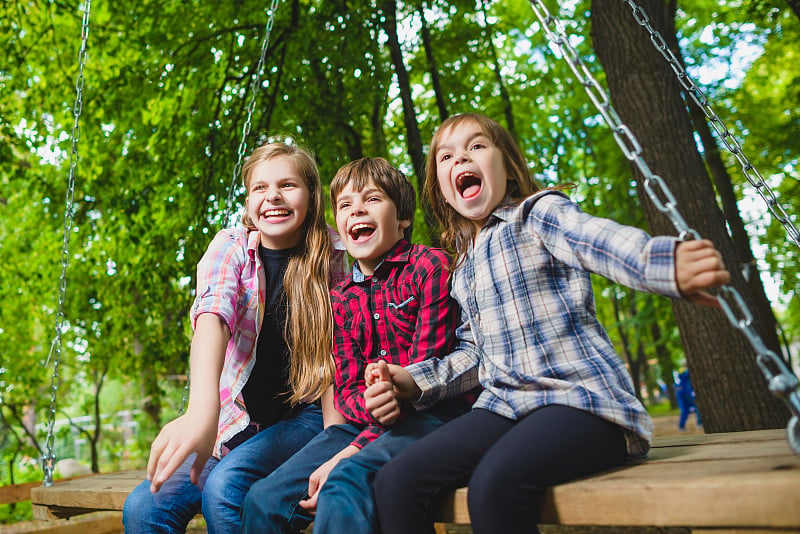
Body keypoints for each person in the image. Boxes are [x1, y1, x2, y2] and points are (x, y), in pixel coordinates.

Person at [366, 113, 731, 534]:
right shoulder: (463, 264)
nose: (461, 158)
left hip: (581, 402)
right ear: (443, 191)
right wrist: (413, 381)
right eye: (446, 157)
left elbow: (595, 239)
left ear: (508, 165)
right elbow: (474, 354)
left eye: (477, 147)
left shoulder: (536, 213)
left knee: (494, 488)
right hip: (505, 406)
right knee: (396, 482)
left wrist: (663, 264)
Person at [123, 141, 348, 534]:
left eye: (287, 185)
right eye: (259, 188)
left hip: (305, 416)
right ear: (248, 200)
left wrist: (335, 442)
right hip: (234, 423)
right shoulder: (232, 248)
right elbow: (213, 314)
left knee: (225, 488)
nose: (272, 196)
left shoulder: (333, 253)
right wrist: (201, 410)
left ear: (312, 197)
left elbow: (342, 348)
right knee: (143, 508)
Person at [240, 157, 471, 534]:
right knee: (262, 500)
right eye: (345, 205)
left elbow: (425, 380)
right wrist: (367, 408)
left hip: (433, 416)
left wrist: (353, 449)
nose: (357, 209)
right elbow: (346, 388)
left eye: (373, 199)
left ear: (403, 219)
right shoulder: (340, 298)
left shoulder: (428, 268)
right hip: (362, 424)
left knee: (342, 488)